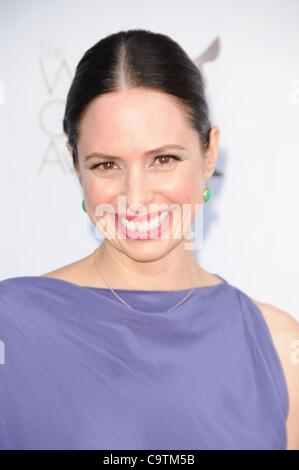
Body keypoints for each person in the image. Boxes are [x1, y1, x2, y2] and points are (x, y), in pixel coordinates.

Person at [0, 28, 298, 450]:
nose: (135, 198)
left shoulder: (278, 345)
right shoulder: (11, 326)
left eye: (163, 159)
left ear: (209, 152)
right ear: (75, 164)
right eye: (106, 165)